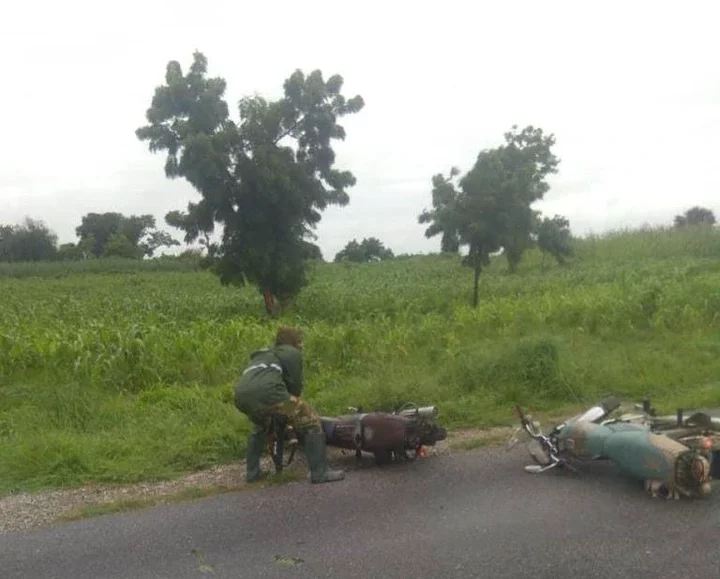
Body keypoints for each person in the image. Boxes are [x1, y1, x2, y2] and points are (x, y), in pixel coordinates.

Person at [233, 326, 345, 484]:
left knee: (261, 426)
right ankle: (320, 472)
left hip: (241, 397)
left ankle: (253, 473)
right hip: (269, 393)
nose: (302, 346)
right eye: (299, 341)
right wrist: (292, 413)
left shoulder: (263, 355)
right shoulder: (291, 353)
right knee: (310, 420)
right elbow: (295, 387)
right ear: (292, 342)